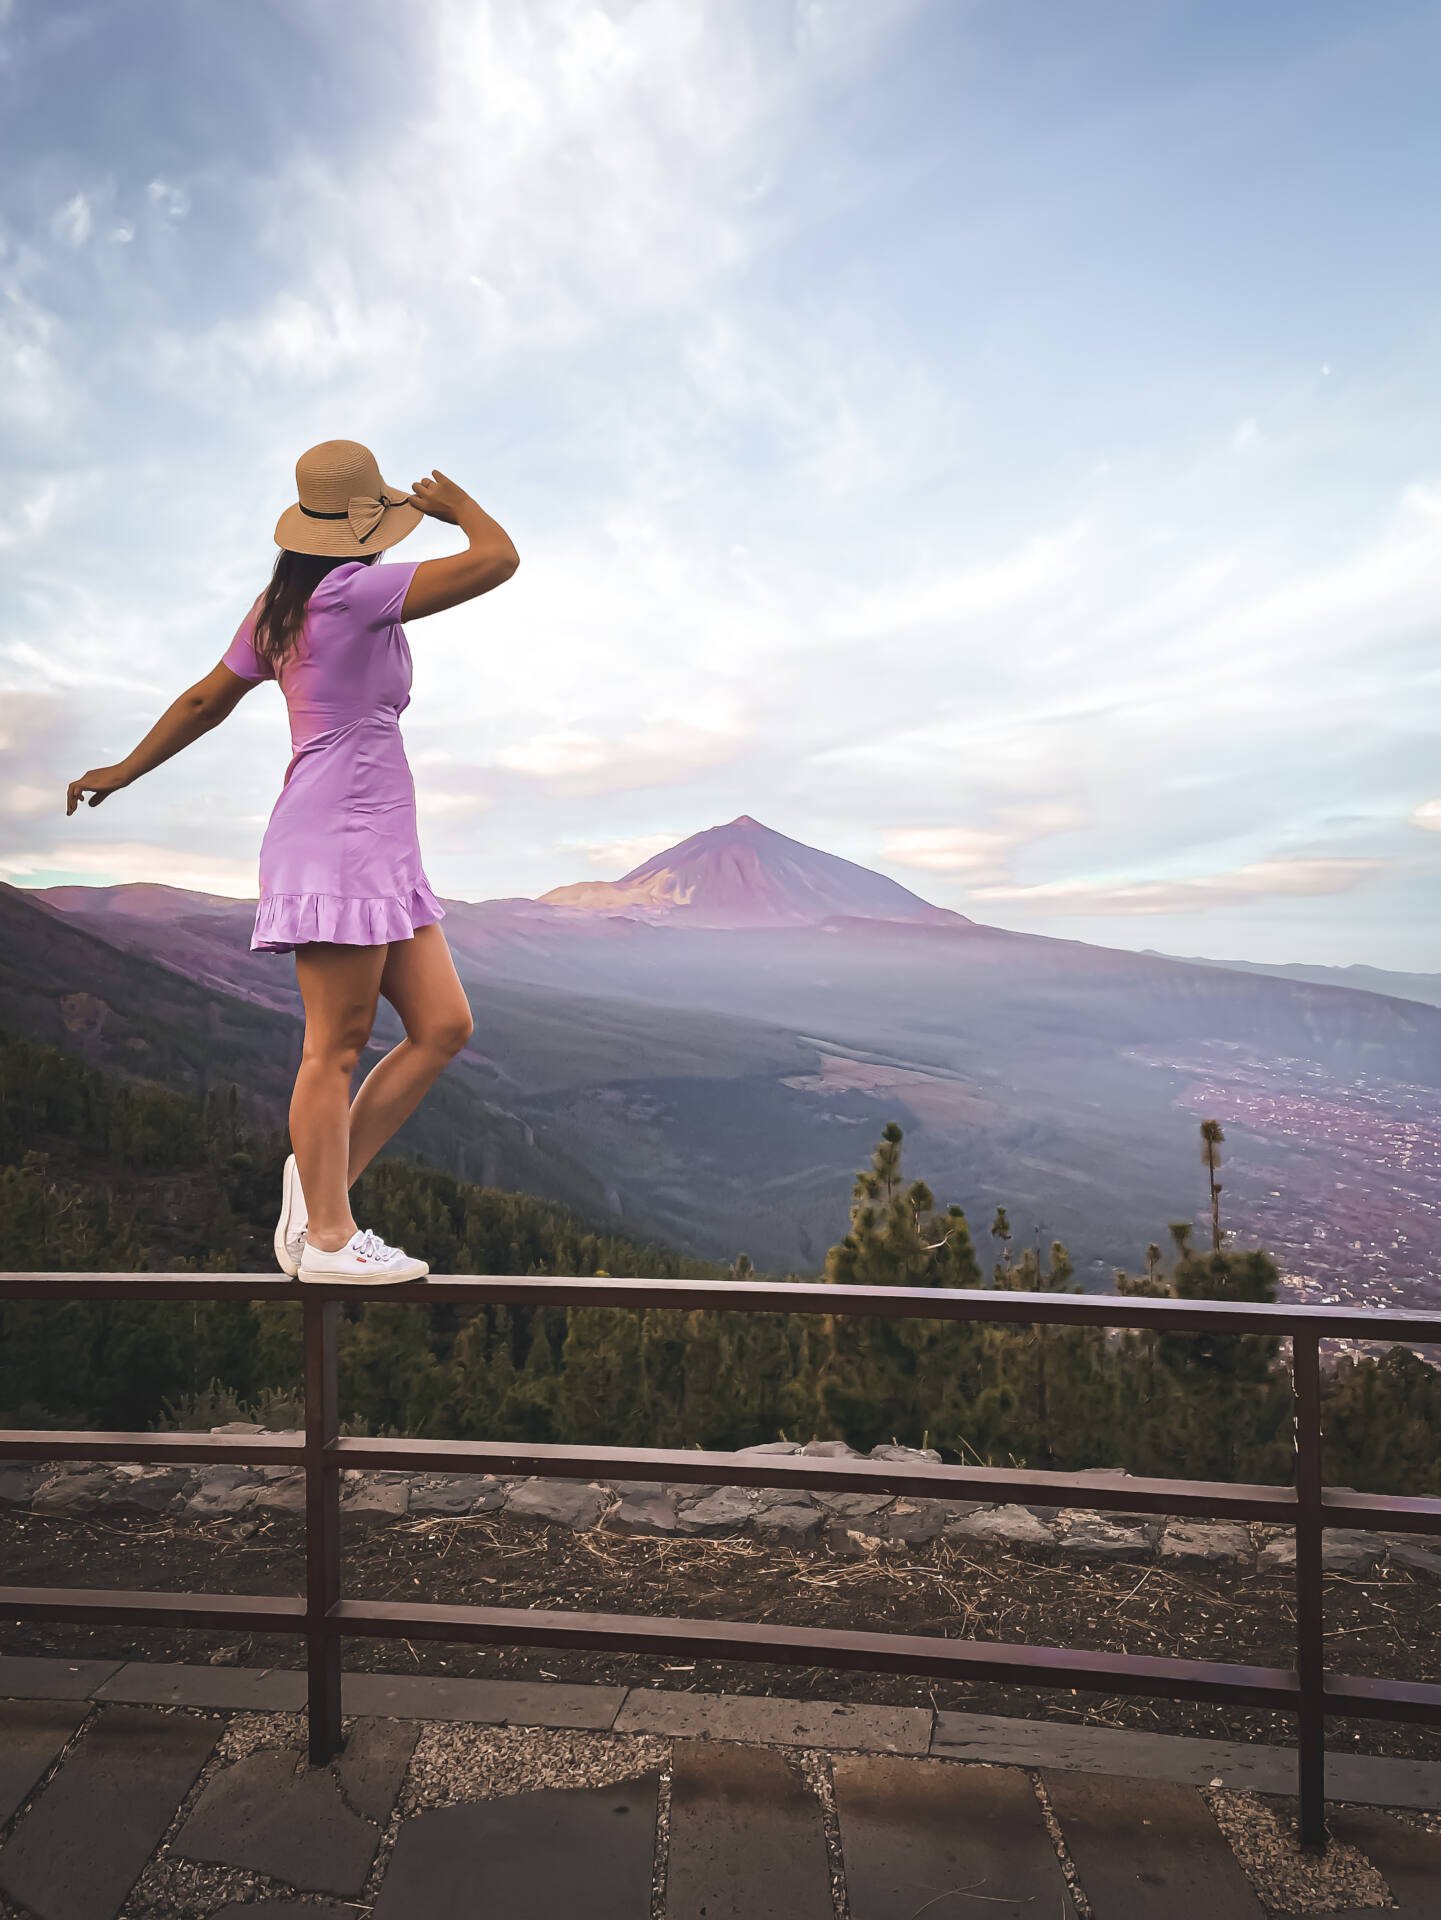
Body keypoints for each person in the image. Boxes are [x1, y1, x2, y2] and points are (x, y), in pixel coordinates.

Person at [66, 439, 519, 1284]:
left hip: (375, 842)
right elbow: (497, 560)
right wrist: (459, 509)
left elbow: (206, 698)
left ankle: (319, 1184)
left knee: (444, 1026)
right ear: (361, 531)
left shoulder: (281, 607)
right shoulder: (356, 592)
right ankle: (328, 1239)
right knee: (335, 1047)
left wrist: (122, 771)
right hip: (337, 842)